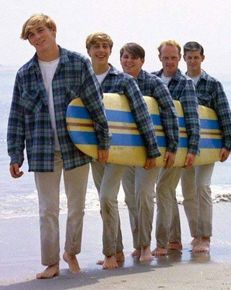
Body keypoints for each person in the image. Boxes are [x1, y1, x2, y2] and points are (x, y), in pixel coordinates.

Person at [7, 14, 110, 279]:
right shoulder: (24, 74)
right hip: (42, 150)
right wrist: (15, 154)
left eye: (40, 31)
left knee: (77, 207)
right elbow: (16, 116)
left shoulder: (78, 63)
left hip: (76, 147)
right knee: (47, 209)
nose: (37, 37)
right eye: (31, 34)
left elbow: (95, 105)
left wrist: (103, 142)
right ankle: (51, 262)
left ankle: (71, 252)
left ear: (52, 30)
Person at [86, 32, 160, 268]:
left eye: (105, 46)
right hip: (92, 149)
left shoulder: (123, 80)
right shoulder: (83, 79)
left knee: (108, 196)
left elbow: (142, 114)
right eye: (96, 46)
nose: (100, 50)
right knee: (103, 200)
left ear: (110, 50)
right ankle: (117, 251)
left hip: (118, 148)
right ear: (88, 50)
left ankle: (109, 253)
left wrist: (151, 149)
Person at [120, 42, 178, 260]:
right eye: (125, 57)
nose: (129, 61)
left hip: (150, 151)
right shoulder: (116, 82)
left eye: (134, 57)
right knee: (130, 199)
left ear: (142, 61)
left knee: (144, 195)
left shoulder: (153, 83)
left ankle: (145, 247)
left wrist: (172, 147)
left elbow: (169, 113)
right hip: (124, 152)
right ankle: (138, 244)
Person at [173, 41, 231, 253]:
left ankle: (205, 236)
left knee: (203, 187)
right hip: (184, 147)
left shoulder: (212, 84)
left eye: (195, 57)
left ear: (202, 58)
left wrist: (228, 144)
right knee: (188, 192)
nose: (192, 61)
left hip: (207, 147)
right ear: (184, 59)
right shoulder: (177, 82)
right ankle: (195, 234)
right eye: (188, 57)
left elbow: (225, 114)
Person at [151, 40, 200, 256]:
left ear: (179, 58)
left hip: (177, 146)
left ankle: (161, 243)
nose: (169, 61)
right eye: (165, 57)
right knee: (167, 192)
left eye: (173, 57)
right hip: (156, 147)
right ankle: (175, 241)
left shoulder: (185, 83)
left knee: (163, 188)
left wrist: (192, 149)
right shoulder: (151, 79)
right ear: (159, 57)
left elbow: (192, 118)